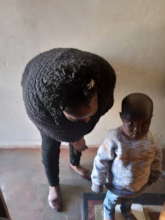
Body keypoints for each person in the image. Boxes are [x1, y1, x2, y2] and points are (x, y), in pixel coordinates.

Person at [21, 48, 116, 211]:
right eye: (77, 118)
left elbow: (94, 114)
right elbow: (66, 131)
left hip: (79, 77)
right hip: (40, 90)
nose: (87, 120)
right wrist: (75, 138)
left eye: (90, 113)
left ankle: (74, 163)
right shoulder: (37, 103)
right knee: (50, 146)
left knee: (79, 132)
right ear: (59, 109)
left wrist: (79, 134)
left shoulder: (104, 75)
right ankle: (53, 186)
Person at [91, 93, 162, 220]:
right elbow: (101, 161)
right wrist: (97, 182)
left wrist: (154, 175)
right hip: (116, 185)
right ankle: (108, 215)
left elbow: (157, 160)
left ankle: (126, 211)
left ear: (151, 119)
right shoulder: (114, 139)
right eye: (131, 124)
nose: (137, 130)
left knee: (128, 202)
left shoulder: (153, 141)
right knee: (110, 203)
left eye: (145, 124)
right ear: (122, 118)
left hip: (138, 185)